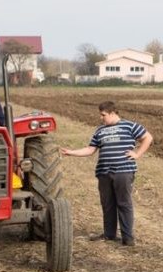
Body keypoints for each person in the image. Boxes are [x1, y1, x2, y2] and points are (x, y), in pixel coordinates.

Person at [60, 101, 153, 246]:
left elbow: (148, 138)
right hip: (104, 173)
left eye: (103, 115)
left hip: (123, 171)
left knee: (124, 203)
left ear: (112, 113)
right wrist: (71, 152)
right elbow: (90, 150)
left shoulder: (130, 126)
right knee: (107, 204)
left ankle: (128, 238)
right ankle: (109, 235)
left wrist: (137, 154)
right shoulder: (99, 130)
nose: (101, 118)